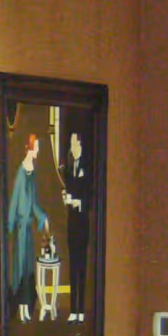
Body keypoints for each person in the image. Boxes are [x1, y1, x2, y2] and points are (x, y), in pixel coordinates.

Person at [6, 132, 49, 322]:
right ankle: (21, 309)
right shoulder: (22, 172)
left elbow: (34, 203)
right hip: (20, 229)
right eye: (37, 147)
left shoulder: (33, 172)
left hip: (28, 230)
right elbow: (15, 200)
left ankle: (26, 308)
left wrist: (42, 217)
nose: (38, 150)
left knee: (28, 269)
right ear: (31, 148)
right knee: (21, 269)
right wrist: (9, 225)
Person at [60, 129, 92, 322]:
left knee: (82, 266)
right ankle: (74, 310)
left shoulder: (87, 168)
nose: (72, 148)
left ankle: (81, 309)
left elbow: (90, 195)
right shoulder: (69, 168)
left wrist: (78, 202)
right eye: (70, 144)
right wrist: (66, 199)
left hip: (82, 222)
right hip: (71, 222)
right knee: (72, 265)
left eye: (75, 144)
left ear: (80, 145)